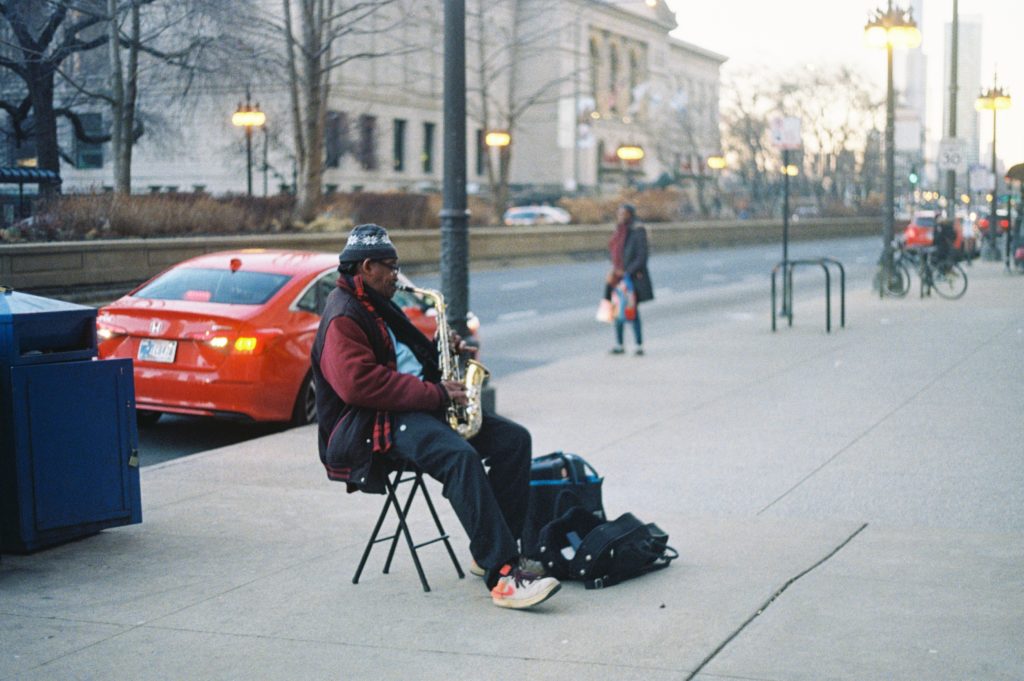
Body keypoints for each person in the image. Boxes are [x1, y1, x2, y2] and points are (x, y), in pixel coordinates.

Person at [311, 224, 560, 610]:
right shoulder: (344, 314)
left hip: (414, 407)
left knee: (514, 440)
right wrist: (436, 394)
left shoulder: (377, 303)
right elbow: (358, 385)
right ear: (366, 267)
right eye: (391, 267)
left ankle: (491, 551)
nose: (396, 275)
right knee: (460, 457)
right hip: (373, 425)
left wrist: (444, 351)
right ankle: (503, 574)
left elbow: (402, 359)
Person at [605, 203, 654, 355]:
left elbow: (642, 257)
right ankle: (619, 344)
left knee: (631, 310)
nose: (620, 216)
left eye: (623, 213)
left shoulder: (637, 230)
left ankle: (639, 345)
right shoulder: (618, 231)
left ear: (630, 214)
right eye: (619, 213)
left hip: (631, 278)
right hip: (617, 276)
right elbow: (614, 252)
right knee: (616, 311)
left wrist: (626, 271)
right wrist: (614, 270)